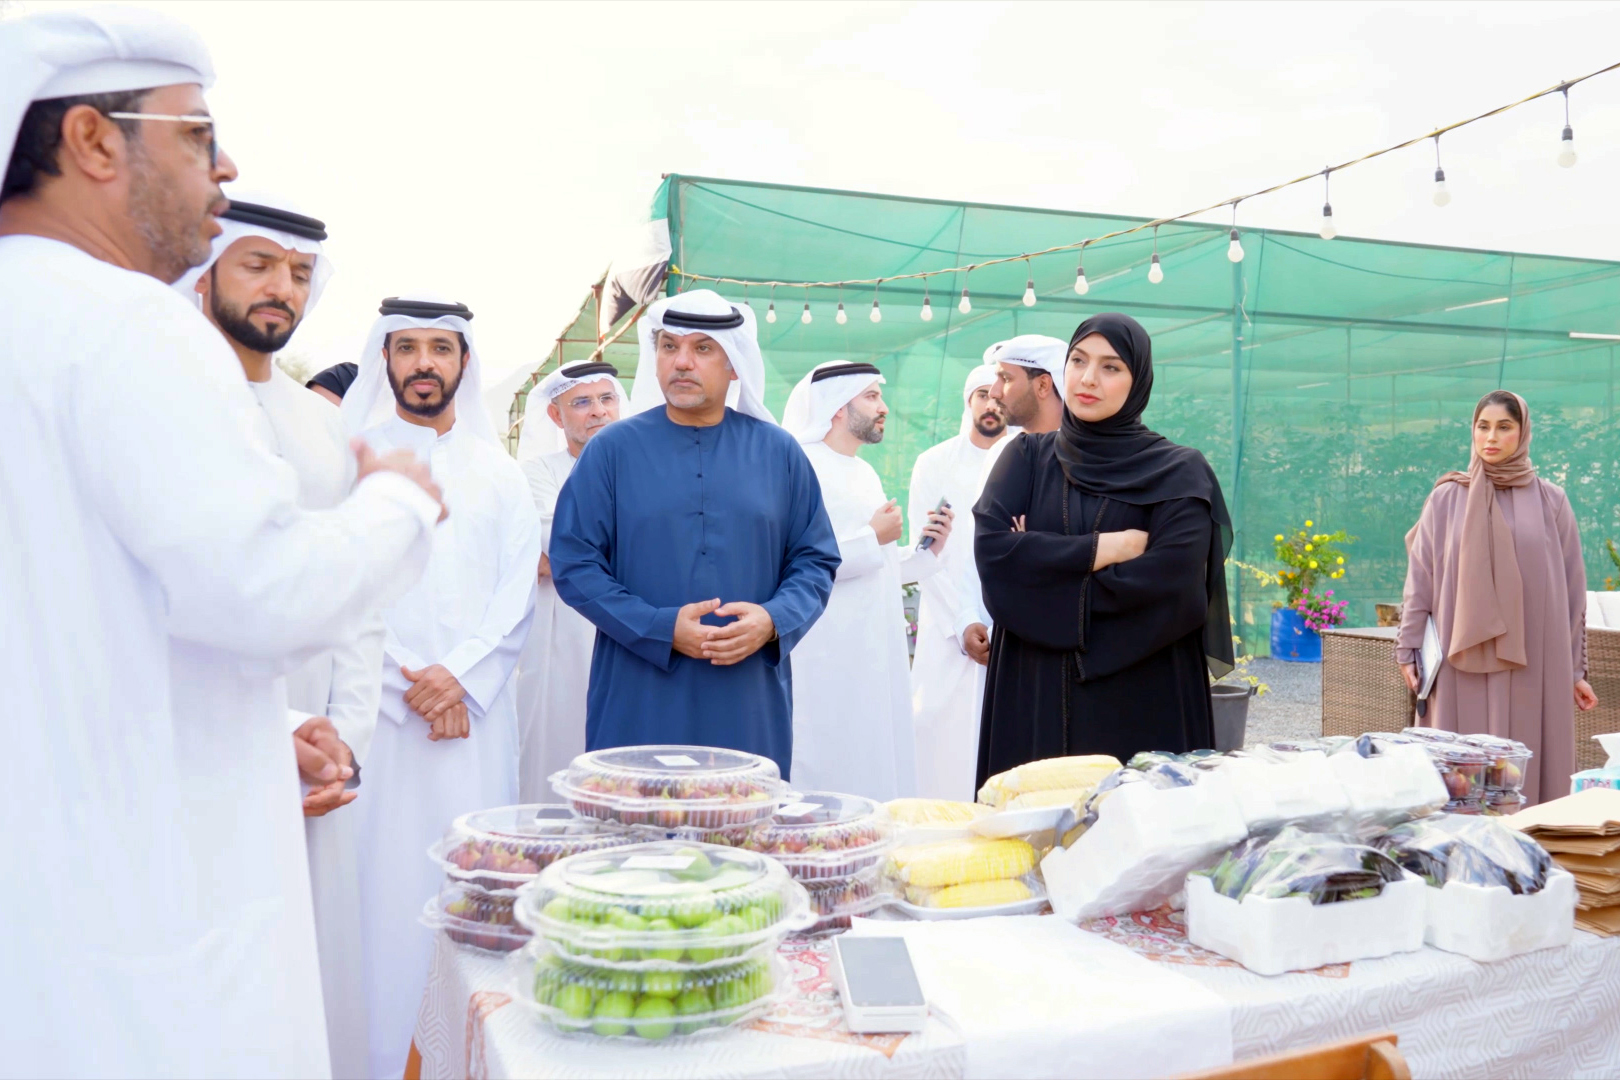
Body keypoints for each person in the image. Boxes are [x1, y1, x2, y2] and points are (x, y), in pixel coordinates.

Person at [0, 10, 444, 1077]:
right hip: (148, 914)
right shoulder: (129, 321)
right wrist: (398, 502)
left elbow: (78, 625)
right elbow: (260, 594)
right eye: (197, 134)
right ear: (96, 142)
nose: (226, 163)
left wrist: (266, 728)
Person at [175, 188, 376, 1079]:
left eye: (299, 274)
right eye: (258, 265)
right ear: (204, 269)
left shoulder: (317, 423)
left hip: (317, 763)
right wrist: (275, 734)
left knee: (302, 983)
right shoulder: (165, 403)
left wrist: (346, 743)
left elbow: (357, 602)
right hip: (190, 748)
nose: (281, 291)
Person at [343, 295, 542, 1079]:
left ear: (464, 362)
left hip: (474, 728)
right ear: (384, 359)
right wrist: (414, 686)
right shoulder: (350, 460)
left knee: (466, 891)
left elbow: (516, 596)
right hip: (382, 726)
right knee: (380, 899)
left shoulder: (498, 471)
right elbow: (348, 586)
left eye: (440, 349)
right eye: (408, 348)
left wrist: (460, 678)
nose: (424, 364)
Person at [550, 289, 840, 775]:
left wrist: (772, 620)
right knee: (635, 836)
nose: (682, 362)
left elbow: (814, 560)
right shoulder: (611, 451)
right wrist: (659, 628)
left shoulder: (779, 453)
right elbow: (574, 564)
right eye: (669, 346)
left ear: (735, 365)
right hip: (638, 691)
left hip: (748, 696)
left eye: (702, 348)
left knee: (740, 833)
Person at [974, 314, 1233, 783]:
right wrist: (1103, 548)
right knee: (1034, 838)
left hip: (1141, 695)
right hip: (1035, 696)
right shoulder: (1027, 458)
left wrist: (1040, 565)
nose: (1088, 378)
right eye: (1078, 361)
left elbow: (1171, 585)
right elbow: (996, 557)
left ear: (1138, 382)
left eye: (1111, 367)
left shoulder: (1179, 473)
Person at [1397, 390, 1597, 804]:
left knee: (1528, 759)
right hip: (1458, 655)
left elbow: (1574, 592)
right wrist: (1407, 647)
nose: (1491, 437)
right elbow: (1421, 579)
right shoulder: (1447, 498)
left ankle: (1530, 846)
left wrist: (1575, 670)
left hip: (1536, 657)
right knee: (1458, 767)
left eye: (1504, 427)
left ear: (1522, 434)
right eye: (1482, 426)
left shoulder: (1551, 500)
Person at [783, 361, 953, 800]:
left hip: (871, 652)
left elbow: (876, 565)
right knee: (825, 760)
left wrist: (924, 553)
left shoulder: (863, 472)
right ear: (838, 407)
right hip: (825, 653)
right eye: (872, 397)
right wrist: (870, 537)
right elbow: (792, 563)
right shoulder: (801, 466)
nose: (884, 407)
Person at [516, 360, 626, 800]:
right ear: (556, 417)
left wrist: (567, 556)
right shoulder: (537, 473)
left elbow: (565, 553)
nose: (598, 411)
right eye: (581, 402)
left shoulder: (643, 466)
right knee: (558, 743)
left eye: (606, 399)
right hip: (561, 634)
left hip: (632, 630)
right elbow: (555, 543)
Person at [908, 364, 1008, 800]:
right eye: (982, 394)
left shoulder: (1020, 460)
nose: (992, 404)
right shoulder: (934, 463)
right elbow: (925, 554)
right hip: (946, 625)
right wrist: (963, 621)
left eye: (999, 396)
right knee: (937, 731)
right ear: (968, 402)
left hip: (1005, 618)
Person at [954, 334, 1068, 671]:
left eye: (1005, 378)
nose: (994, 392)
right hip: (1010, 644)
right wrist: (968, 617)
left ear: (1043, 385)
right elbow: (982, 546)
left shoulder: (1089, 457)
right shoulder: (1003, 455)